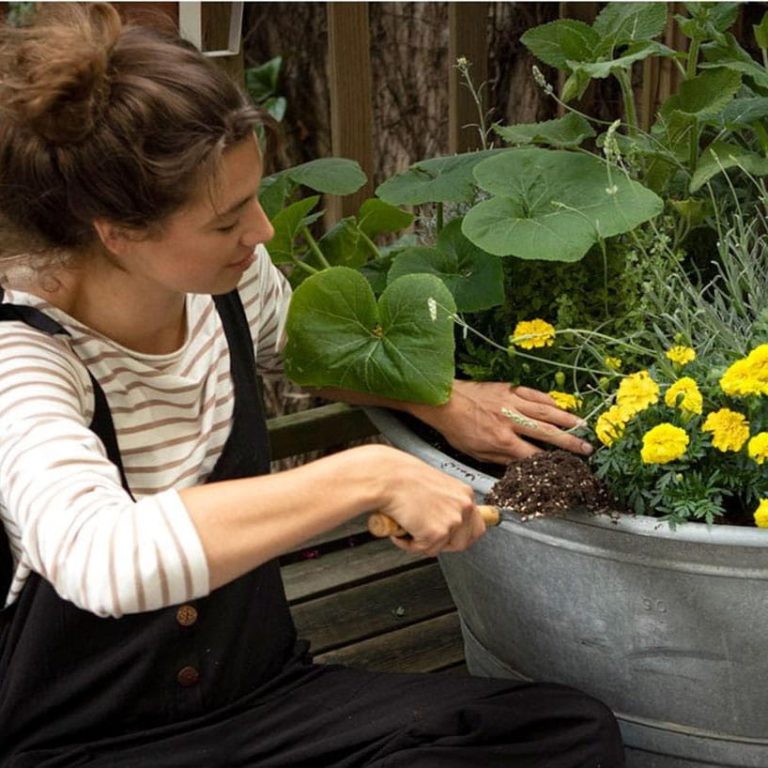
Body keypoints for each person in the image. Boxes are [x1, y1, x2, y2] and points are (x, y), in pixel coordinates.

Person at [0, 5, 623, 767]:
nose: (261, 232)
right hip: (85, 744)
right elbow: (102, 557)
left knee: (559, 732)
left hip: (261, 701)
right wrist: (370, 474)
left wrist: (446, 401)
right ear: (116, 229)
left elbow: (317, 349)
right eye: (227, 220)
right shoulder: (24, 362)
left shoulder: (224, 286)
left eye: (253, 199)